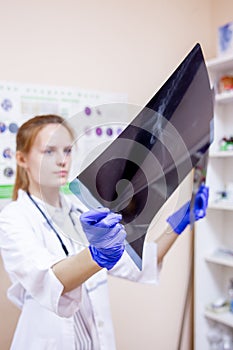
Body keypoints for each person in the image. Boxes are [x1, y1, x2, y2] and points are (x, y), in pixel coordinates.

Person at [0, 114, 209, 350]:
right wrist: (97, 254)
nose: (62, 160)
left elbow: (138, 262)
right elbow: (50, 279)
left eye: (67, 150)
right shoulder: (13, 218)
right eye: (49, 151)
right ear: (21, 159)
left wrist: (179, 223)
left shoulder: (81, 211)